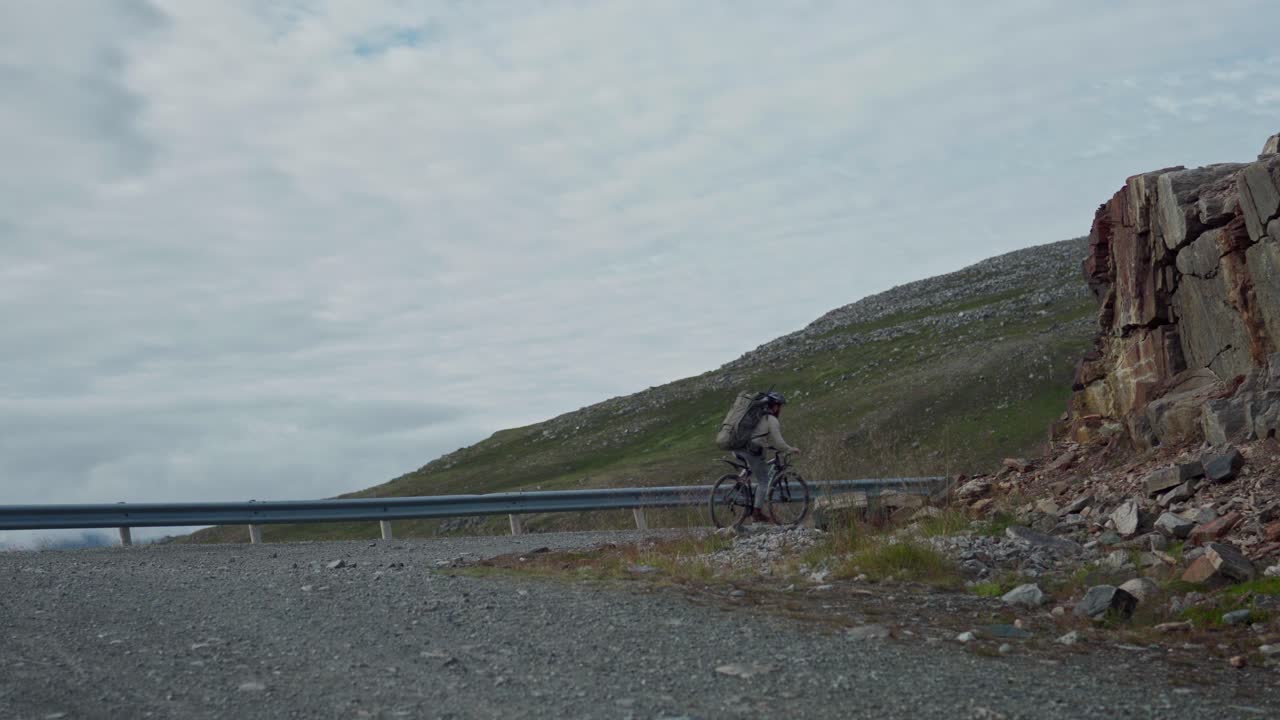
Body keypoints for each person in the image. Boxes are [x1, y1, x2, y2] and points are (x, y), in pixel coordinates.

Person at [739, 391, 801, 523]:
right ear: (775, 406)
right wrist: (790, 449)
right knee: (764, 481)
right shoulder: (771, 420)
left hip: (739, 446)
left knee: (754, 469)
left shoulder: (757, 416)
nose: (780, 409)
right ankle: (757, 513)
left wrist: (767, 446)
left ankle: (741, 484)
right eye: (780, 406)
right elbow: (779, 442)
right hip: (751, 449)